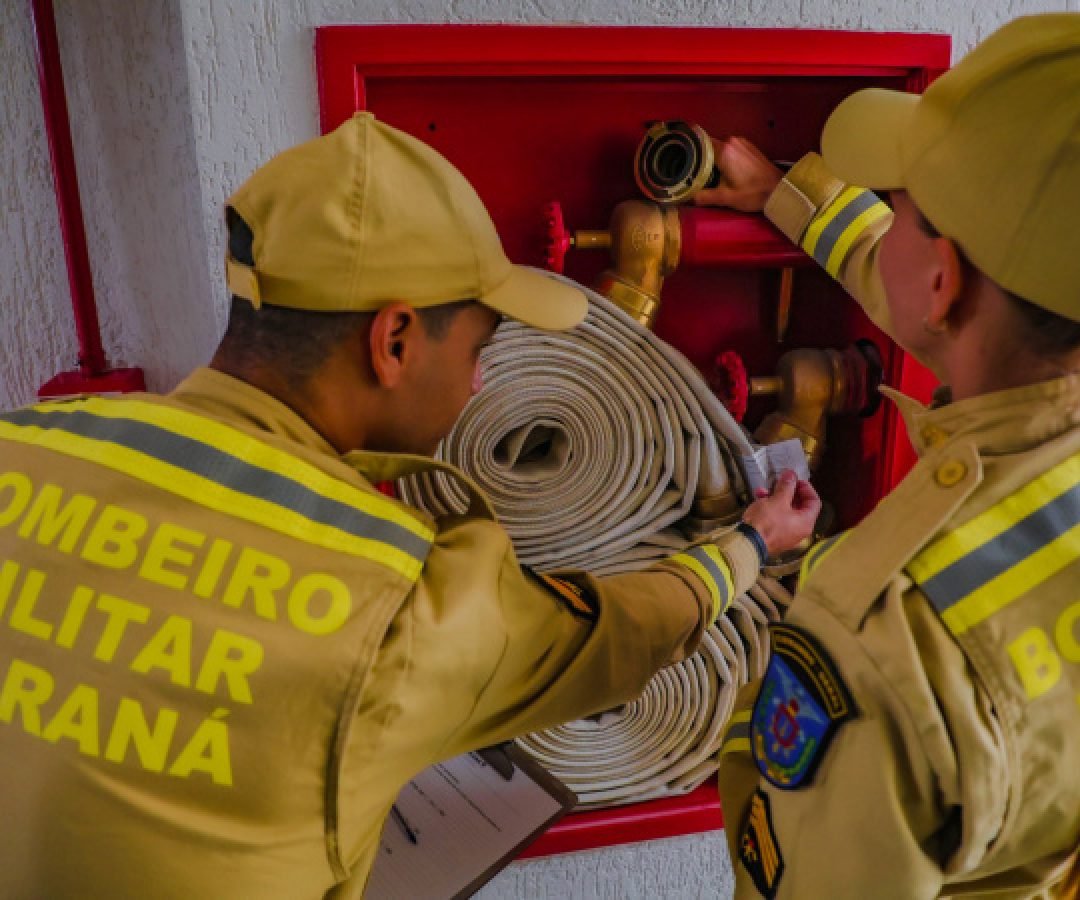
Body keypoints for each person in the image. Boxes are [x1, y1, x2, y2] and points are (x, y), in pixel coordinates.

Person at [0, 111, 818, 898]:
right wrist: (749, 544)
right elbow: (607, 636)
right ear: (393, 342)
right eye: (480, 345)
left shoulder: (25, 445)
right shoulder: (401, 601)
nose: (479, 381)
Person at [698, 13, 1080, 899]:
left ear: (942, 281)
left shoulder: (885, 640)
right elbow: (923, 284)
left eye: (899, 208)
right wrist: (791, 198)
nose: (886, 221)